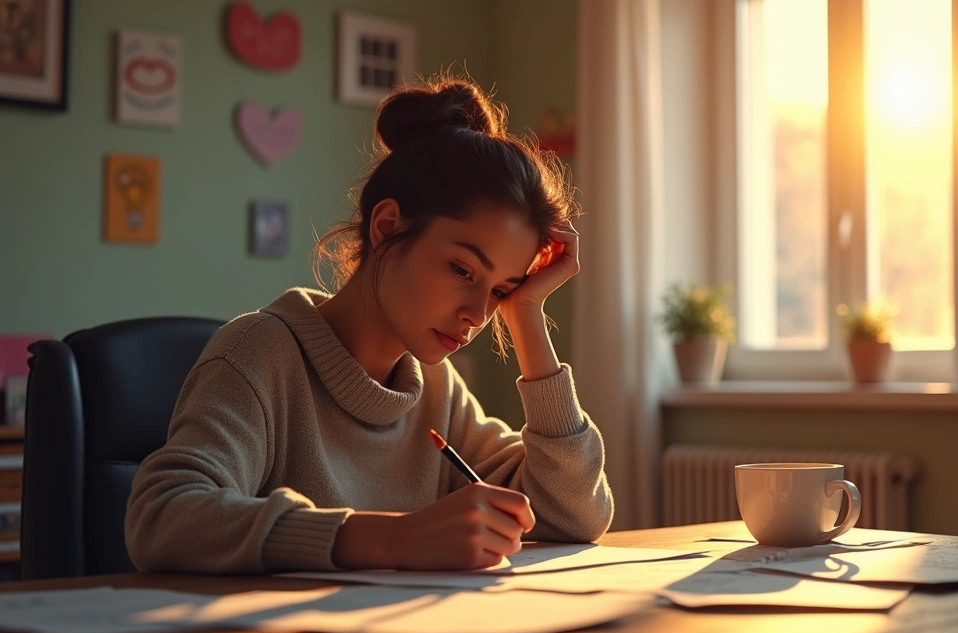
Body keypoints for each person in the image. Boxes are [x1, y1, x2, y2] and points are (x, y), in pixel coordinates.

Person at [125, 76, 613, 574]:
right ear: (386, 228)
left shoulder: (435, 387)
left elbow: (574, 514)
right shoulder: (260, 354)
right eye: (463, 270)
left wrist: (527, 315)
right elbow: (162, 517)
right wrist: (391, 539)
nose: (478, 314)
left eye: (501, 290)